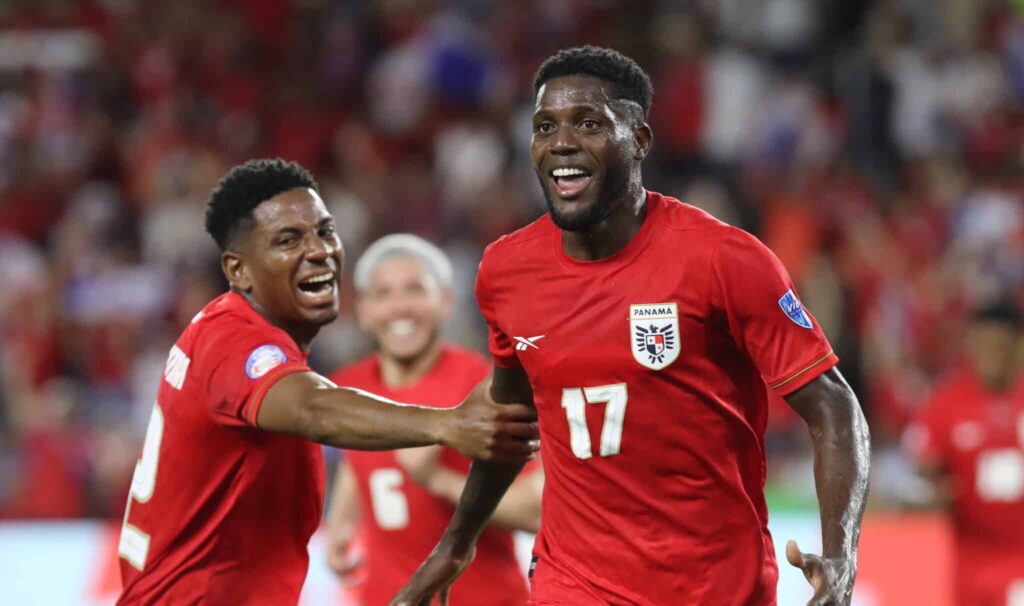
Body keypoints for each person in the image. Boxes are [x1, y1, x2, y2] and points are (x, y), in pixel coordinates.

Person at [391, 46, 870, 606]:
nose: (561, 143)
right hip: (574, 583)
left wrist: (840, 556)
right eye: (544, 126)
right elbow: (512, 419)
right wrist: (454, 546)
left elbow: (834, 407)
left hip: (716, 586)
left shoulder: (723, 259)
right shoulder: (505, 271)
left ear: (639, 140)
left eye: (588, 123)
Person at [116, 159, 538, 605]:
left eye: (325, 231)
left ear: (445, 302)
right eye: (287, 240)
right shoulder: (234, 340)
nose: (319, 250)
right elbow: (313, 409)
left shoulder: (245, 340)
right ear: (238, 271)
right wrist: (447, 425)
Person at [324, 234, 543, 606]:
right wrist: (341, 522)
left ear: (445, 302)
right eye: (383, 293)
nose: (399, 307)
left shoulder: (485, 387)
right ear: (361, 310)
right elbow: (356, 455)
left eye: (414, 289)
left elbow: (538, 512)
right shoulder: (349, 385)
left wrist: (437, 479)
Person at [903, 299, 1024, 606]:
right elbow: (921, 470)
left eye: (1001, 346)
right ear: (972, 345)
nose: (992, 356)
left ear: (1017, 347)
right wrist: (932, 490)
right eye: (985, 345)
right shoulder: (945, 404)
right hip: (970, 564)